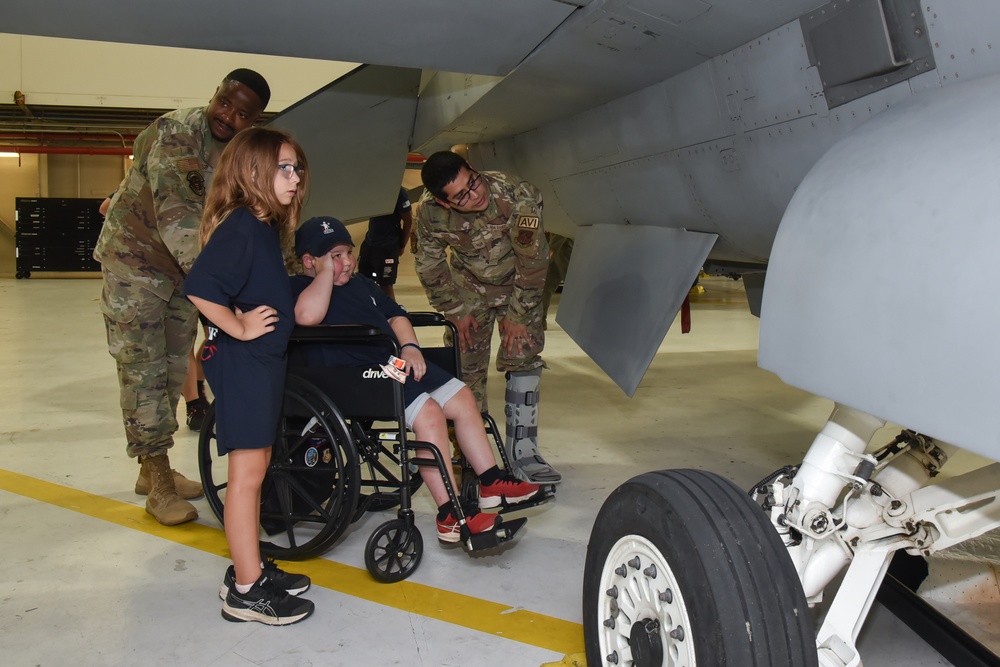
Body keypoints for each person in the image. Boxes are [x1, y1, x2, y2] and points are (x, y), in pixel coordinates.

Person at [292, 216, 541, 542]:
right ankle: (450, 516)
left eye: (348, 253)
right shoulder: (297, 288)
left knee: (462, 397)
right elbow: (307, 316)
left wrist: (410, 348)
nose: (348, 262)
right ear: (310, 261)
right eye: (335, 256)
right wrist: (325, 274)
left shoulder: (362, 285)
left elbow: (396, 316)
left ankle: (491, 482)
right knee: (429, 414)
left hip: (387, 363)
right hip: (349, 373)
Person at [94, 69, 270, 526]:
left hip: (183, 277)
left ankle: (152, 469)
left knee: (174, 371)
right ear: (215, 94)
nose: (227, 116)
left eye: (241, 114)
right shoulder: (177, 134)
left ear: (254, 121)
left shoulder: (239, 152)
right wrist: (229, 297)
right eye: (225, 103)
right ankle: (158, 483)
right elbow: (181, 224)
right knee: (143, 372)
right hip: (136, 266)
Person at [185, 127, 314, 626]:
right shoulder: (242, 224)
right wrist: (238, 324)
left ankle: (250, 567)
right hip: (245, 365)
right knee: (246, 477)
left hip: (261, 364)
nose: (295, 177)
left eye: (297, 167)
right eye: (284, 167)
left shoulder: (260, 225)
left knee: (256, 469)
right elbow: (201, 286)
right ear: (252, 171)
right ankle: (245, 591)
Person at [413, 151, 561, 484]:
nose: (475, 194)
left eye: (473, 181)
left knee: (522, 354)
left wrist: (519, 315)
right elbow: (428, 264)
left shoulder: (515, 195)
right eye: (462, 196)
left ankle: (523, 452)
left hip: (517, 284)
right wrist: (454, 310)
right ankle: (469, 457)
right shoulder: (429, 213)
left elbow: (534, 261)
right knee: (464, 367)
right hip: (468, 288)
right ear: (444, 202)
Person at [357, 186, 413, 300]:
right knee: (363, 281)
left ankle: (392, 315)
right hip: (370, 243)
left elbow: (409, 220)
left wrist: (402, 245)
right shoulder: (374, 188)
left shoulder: (399, 192)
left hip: (388, 246)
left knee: (386, 285)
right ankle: (366, 314)